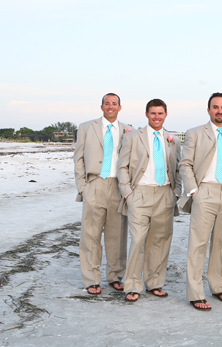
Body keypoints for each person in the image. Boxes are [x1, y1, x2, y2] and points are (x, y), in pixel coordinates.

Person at [179, 92, 222, 311]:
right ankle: (195, 293)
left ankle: (218, 286)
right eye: (215, 107)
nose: (220, 110)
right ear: (208, 110)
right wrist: (194, 191)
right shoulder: (195, 133)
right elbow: (185, 164)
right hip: (205, 192)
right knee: (198, 243)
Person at [116, 99, 182, 302]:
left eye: (160, 113)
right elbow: (122, 167)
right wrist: (128, 193)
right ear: (146, 114)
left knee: (160, 241)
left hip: (165, 194)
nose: (156, 117)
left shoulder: (173, 140)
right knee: (137, 240)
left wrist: (176, 193)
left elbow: (179, 169)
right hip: (140, 194)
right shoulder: (133, 137)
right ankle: (133, 285)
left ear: (165, 115)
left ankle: (154, 283)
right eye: (153, 113)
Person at [74, 93, 131, 295]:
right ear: (101, 106)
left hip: (118, 185)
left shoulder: (128, 131)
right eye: (107, 103)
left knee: (117, 235)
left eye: (114, 104)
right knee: (91, 234)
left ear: (119, 107)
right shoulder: (86, 128)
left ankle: (115, 276)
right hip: (94, 183)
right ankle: (91, 278)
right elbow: (78, 158)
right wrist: (83, 186)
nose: (110, 106)